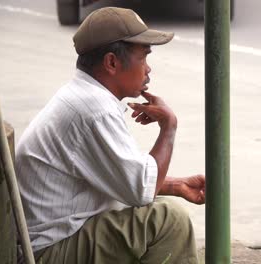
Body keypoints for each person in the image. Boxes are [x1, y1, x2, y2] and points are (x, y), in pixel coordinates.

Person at [15, 7, 205, 264]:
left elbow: (124, 180)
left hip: (50, 241)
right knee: (169, 220)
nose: (148, 70)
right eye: (143, 58)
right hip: (47, 251)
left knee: (152, 211)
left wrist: (175, 186)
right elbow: (141, 189)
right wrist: (169, 126)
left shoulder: (84, 96)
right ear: (112, 62)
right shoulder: (94, 109)